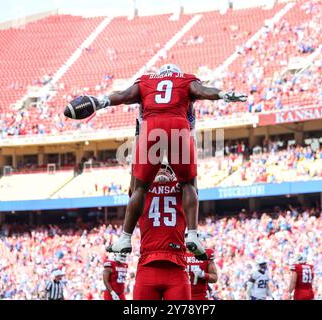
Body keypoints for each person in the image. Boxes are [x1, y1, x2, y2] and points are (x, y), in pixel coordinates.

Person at [104, 64, 246, 260]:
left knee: (139, 189)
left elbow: (123, 95)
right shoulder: (185, 80)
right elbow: (202, 91)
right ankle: (194, 234)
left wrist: (100, 101)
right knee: (188, 184)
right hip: (179, 126)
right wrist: (222, 95)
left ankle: (125, 237)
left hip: (151, 127)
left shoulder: (146, 81)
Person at [133, 164, 191, 300]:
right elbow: (135, 182)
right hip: (147, 264)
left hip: (176, 265)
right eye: (158, 168)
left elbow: (191, 181)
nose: (163, 170)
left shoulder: (183, 189)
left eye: (167, 169)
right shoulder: (142, 191)